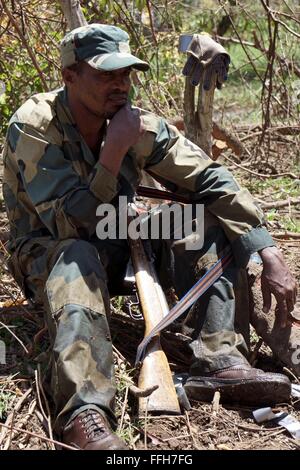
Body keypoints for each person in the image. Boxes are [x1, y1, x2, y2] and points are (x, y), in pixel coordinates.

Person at [2, 23, 297, 450]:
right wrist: (113, 153)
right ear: (69, 77)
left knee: (198, 223)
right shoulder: (35, 124)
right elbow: (72, 224)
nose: (120, 85)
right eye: (106, 75)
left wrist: (266, 248)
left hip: (118, 235)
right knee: (78, 253)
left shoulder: (132, 122)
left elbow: (208, 176)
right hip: (50, 254)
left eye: (125, 74)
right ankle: (85, 413)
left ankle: (219, 357)